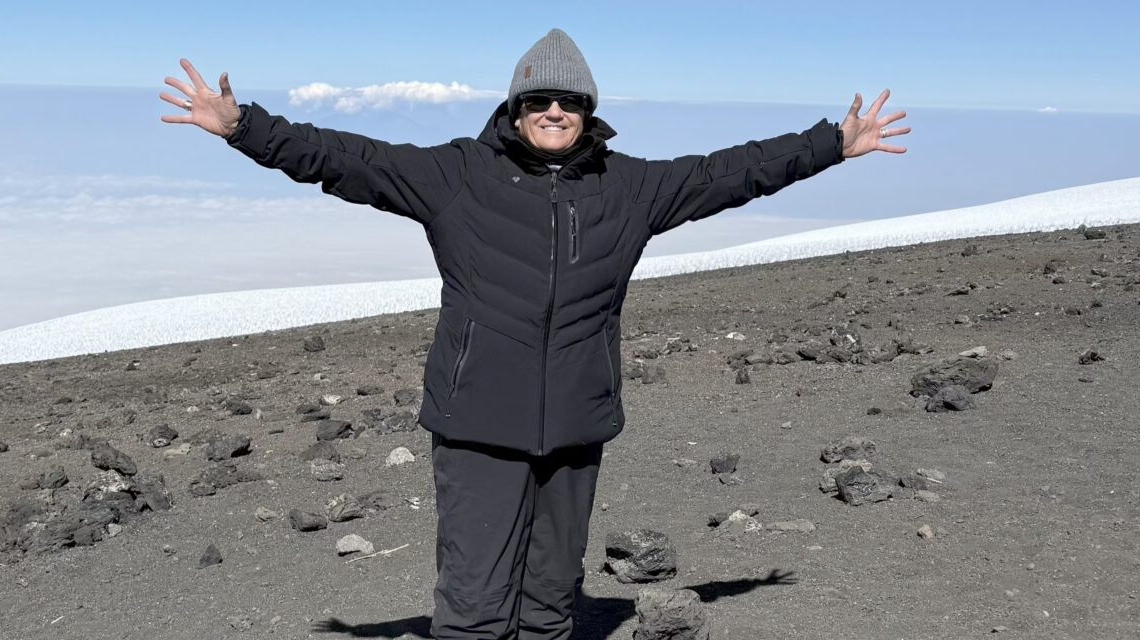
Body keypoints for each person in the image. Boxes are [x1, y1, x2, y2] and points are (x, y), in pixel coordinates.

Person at [161, 28, 909, 639]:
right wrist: (243, 128)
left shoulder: (630, 186)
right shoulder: (457, 175)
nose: (555, 110)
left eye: (570, 101)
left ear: (589, 111)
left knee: (552, 603)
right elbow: (348, 160)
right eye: (540, 99)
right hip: (478, 422)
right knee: (476, 607)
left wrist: (830, 144)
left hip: (577, 425)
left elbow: (730, 172)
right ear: (515, 108)